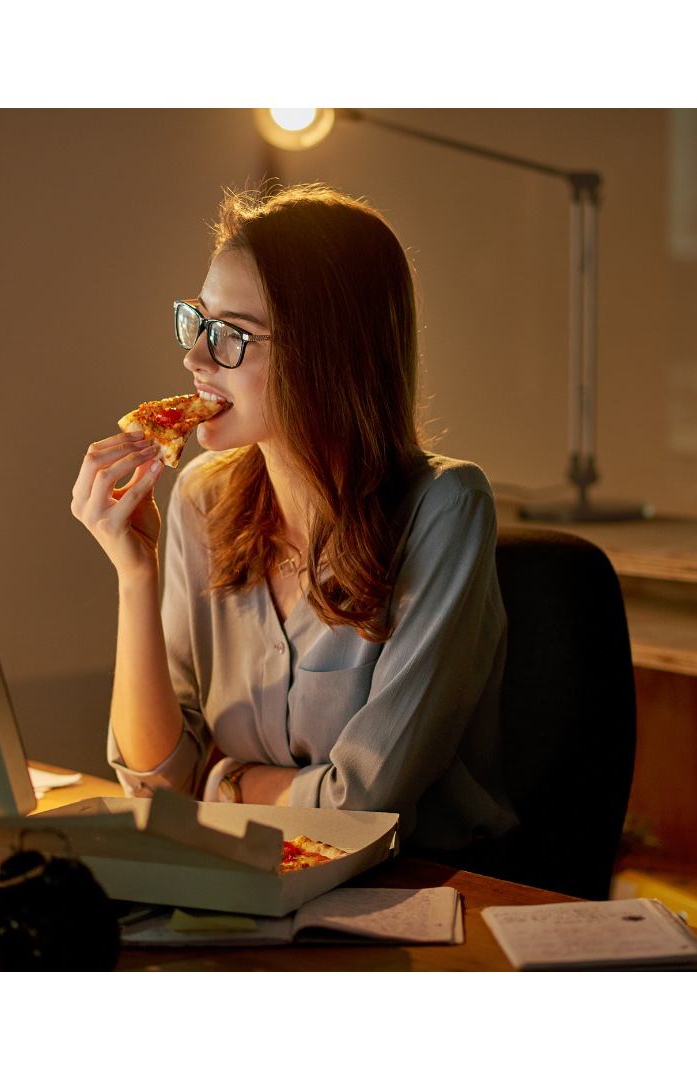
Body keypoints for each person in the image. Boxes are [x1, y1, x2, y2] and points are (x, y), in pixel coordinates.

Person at [68, 186, 517, 856]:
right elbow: (157, 787)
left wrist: (218, 783)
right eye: (198, 322)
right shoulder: (200, 501)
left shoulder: (447, 510)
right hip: (248, 880)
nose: (195, 361)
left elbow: (359, 806)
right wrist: (135, 576)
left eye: (230, 337)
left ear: (325, 352)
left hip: (416, 898)